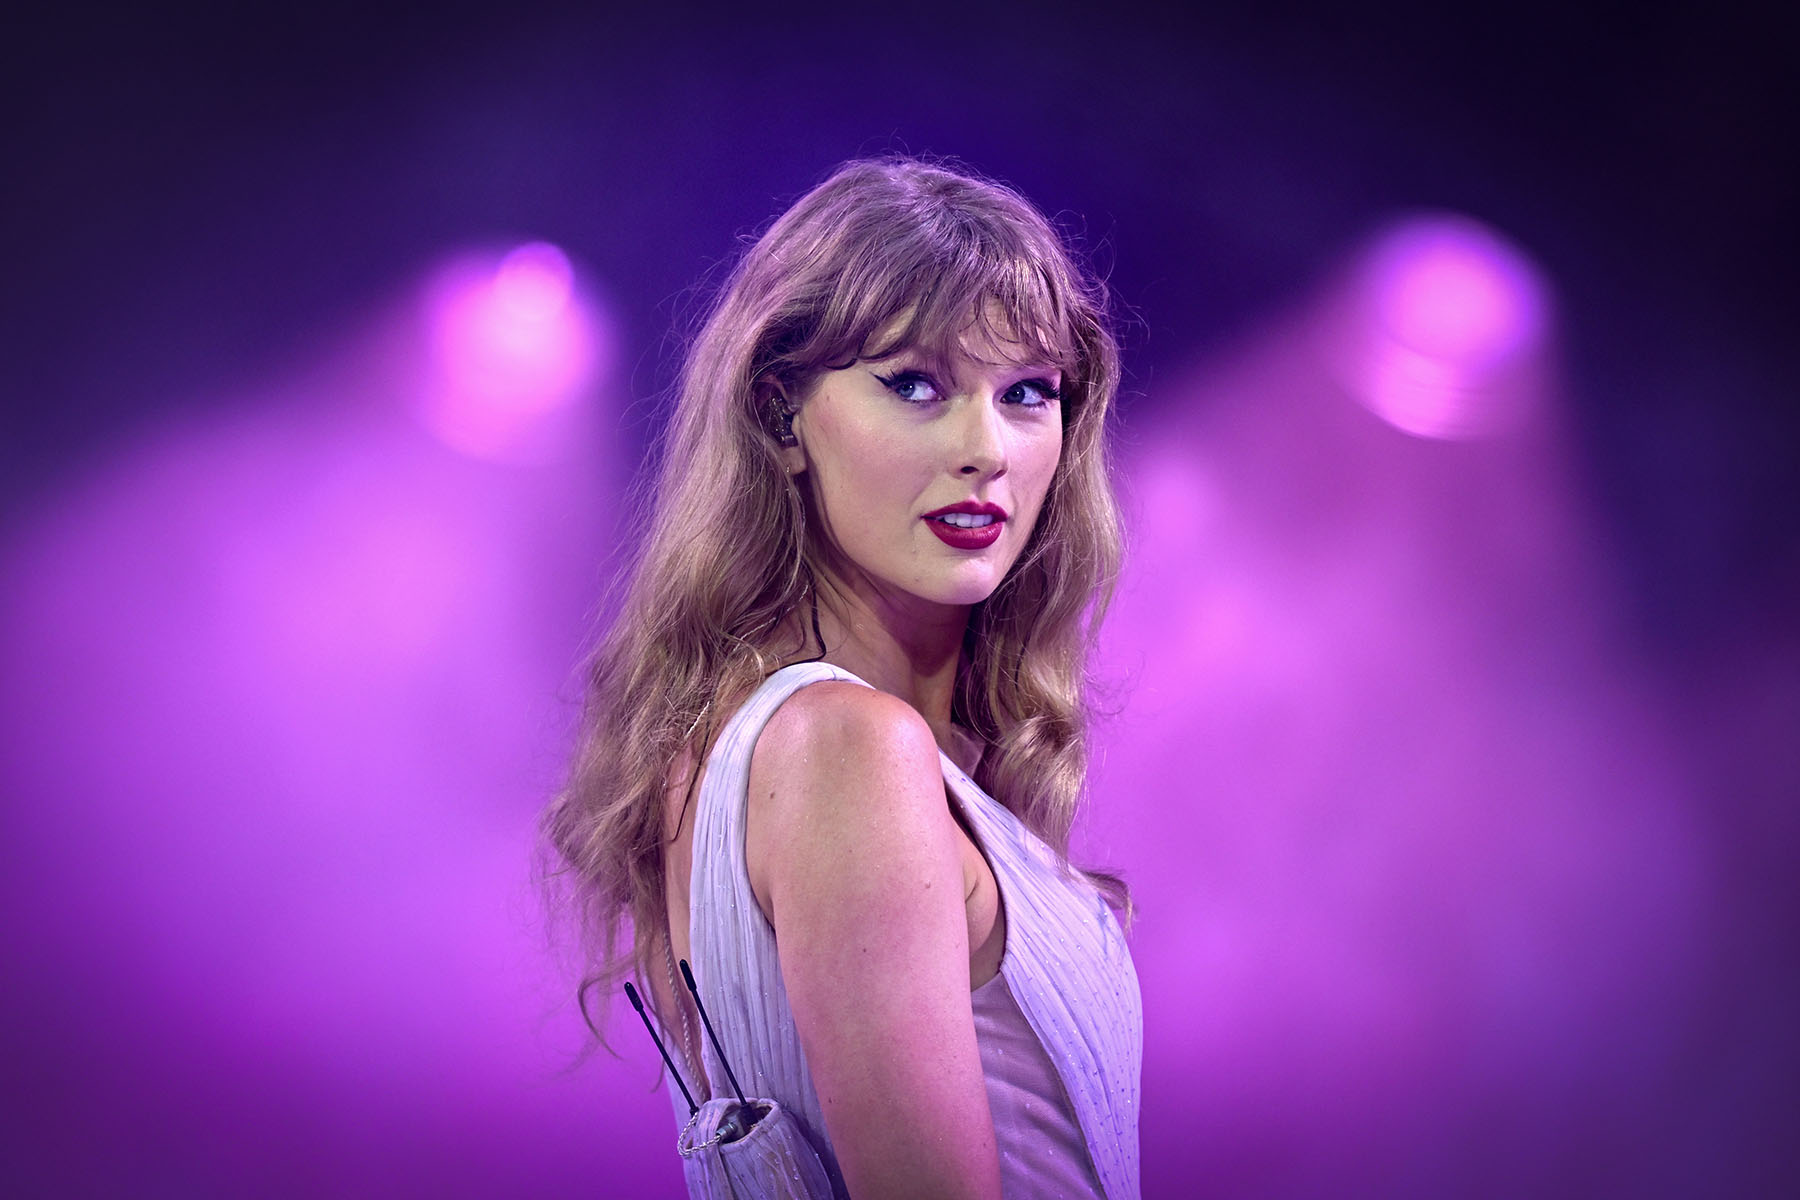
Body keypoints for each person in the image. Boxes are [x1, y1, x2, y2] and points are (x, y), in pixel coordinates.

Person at [543, 155, 1141, 1199]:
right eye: (916, 385)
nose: (984, 448)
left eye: (1027, 392)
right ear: (781, 418)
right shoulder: (845, 748)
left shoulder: (754, 746)